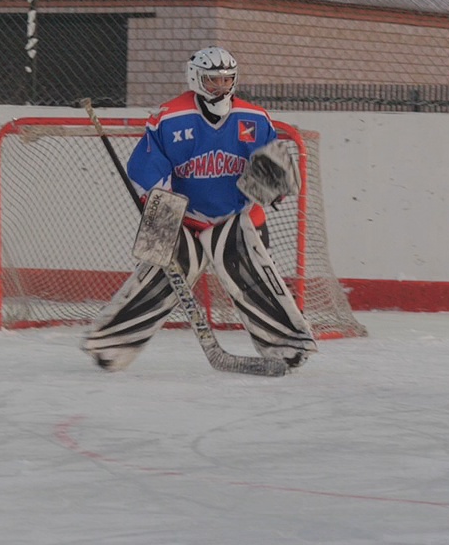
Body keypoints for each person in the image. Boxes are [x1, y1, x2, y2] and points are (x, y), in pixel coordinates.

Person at [83, 47, 319, 372]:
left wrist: (276, 181)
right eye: (213, 80)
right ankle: (110, 346)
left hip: (235, 219)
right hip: (186, 221)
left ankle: (289, 347)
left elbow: (271, 176)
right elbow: (146, 168)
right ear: (196, 79)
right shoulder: (170, 118)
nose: (221, 87)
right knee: (157, 280)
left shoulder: (254, 118)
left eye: (227, 79)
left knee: (257, 280)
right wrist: (161, 221)